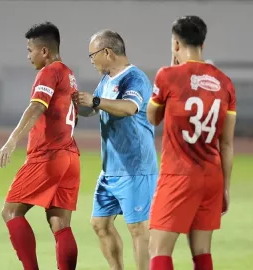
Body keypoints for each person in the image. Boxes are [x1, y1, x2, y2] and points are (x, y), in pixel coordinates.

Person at [146, 15, 237, 270]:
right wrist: (225, 188)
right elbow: (227, 143)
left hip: (179, 174)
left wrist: (168, 72)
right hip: (212, 177)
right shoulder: (225, 82)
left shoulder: (168, 75)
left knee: (159, 248)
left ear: (176, 45)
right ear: (202, 45)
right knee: (202, 251)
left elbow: (152, 117)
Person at [0, 21, 80, 270]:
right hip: (70, 157)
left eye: (30, 50)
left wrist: (12, 140)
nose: (28, 56)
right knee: (60, 223)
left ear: (44, 50)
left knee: (11, 211)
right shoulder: (68, 73)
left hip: (48, 157)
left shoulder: (49, 72)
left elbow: (36, 106)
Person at [74, 30, 158, 270]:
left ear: (107, 52)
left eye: (92, 55)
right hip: (110, 170)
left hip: (136, 169)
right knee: (99, 224)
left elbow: (130, 107)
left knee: (138, 229)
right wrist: (72, 104)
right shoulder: (107, 79)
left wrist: (96, 101)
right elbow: (93, 109)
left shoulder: (135, 78)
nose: (91, 60)